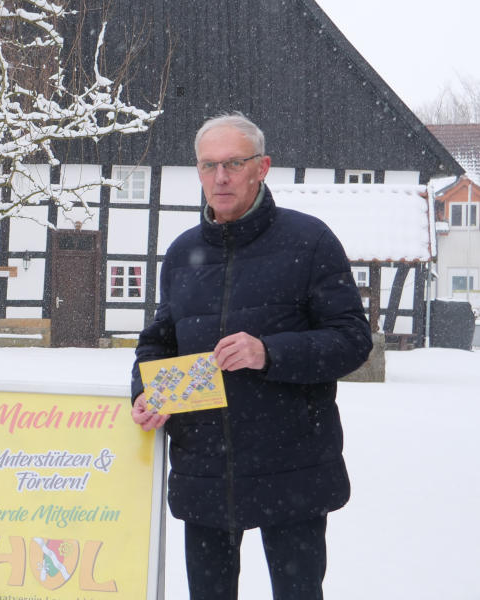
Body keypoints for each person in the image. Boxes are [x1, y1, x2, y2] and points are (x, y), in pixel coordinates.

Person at [130, 113, 372, 599]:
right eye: (208, 166)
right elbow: (158, 341)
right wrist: (146, 391)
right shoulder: (181, 254)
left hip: (293, 468)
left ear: (262, 167)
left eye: (233, 164)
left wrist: (269, 353)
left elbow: (351, 339)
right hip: (204, 471)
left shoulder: (310, 241)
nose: (220, 177)